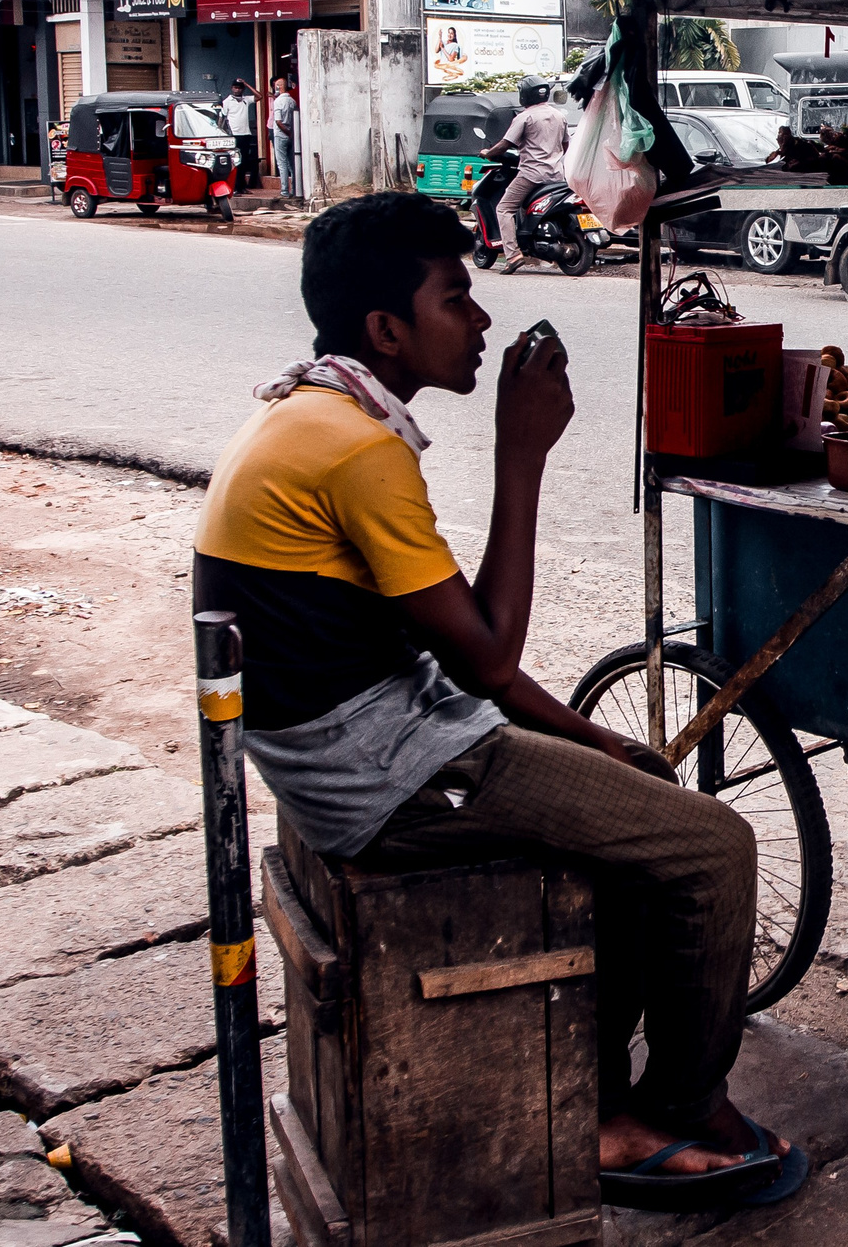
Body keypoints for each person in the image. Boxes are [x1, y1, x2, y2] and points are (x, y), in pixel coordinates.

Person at [193, 193, 803, 1210]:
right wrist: (524, 455)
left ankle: (595, 1103)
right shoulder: (354, 449)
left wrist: (593, 741)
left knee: (632, 810)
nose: (479, 322)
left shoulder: (314, 407)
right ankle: (682, 1108)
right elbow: (486, 657)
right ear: (387, 331)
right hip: (382, 774)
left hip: (392, 732)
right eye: (455, 300)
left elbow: (464, 665)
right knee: (710, 846)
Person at [479, 75, 566, 274]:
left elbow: (505, 144)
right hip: (556, 174)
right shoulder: (559, 115)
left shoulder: (525, 117)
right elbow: (565, 144)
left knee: (504, 208)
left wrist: (487, 153)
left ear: (524, 94)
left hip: (531, 174)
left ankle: (513, 255)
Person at [223, 79, 260, 190]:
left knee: (244, 161)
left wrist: (247, 83)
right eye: (235, 87)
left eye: (239, 87)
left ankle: (242, 186)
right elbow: (223, 118)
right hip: (234, 134)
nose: (237, 89)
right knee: (235, 161)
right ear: (232, 88)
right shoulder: (227, 101)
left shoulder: (245, 99)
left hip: (245, 133)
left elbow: (259, 96)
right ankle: (236, 187)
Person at [269, 76, 299, 196]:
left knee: (282, 164)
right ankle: (296, 189)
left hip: (281, 134)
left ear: (278, 87)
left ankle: (285, 190)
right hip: (291, 134)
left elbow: (278, 121)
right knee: (291, 163)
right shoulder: (292, 101)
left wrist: (287, 132)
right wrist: (291, 133)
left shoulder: (278, 101)